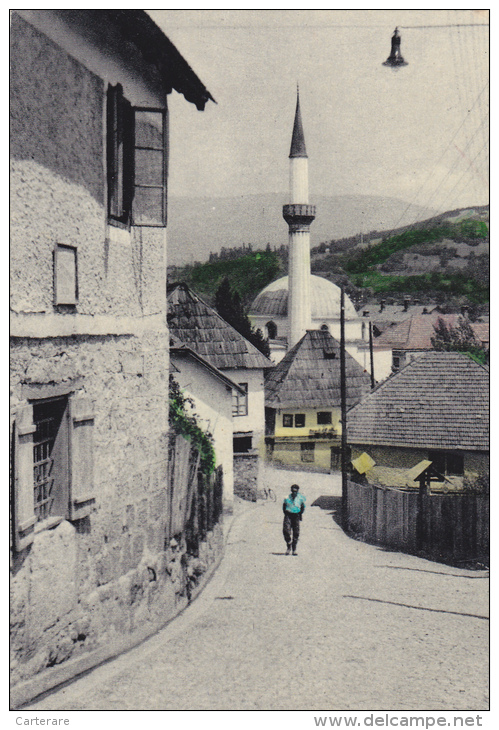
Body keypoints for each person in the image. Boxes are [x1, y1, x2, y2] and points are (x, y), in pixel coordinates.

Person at [282, 484, 306, 555]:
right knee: (286, 531)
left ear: (297, 491)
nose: (294, 493)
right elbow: (284, 506)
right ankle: (289, 545)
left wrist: (300, 514)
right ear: (291, 491)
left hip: (296, 516)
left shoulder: (301, 498)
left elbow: (302, 507)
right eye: (293, 491)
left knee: (296, 533)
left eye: (295, 491)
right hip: (288, 515)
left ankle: (294, 549)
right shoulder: (287, 497)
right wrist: (286, 514)